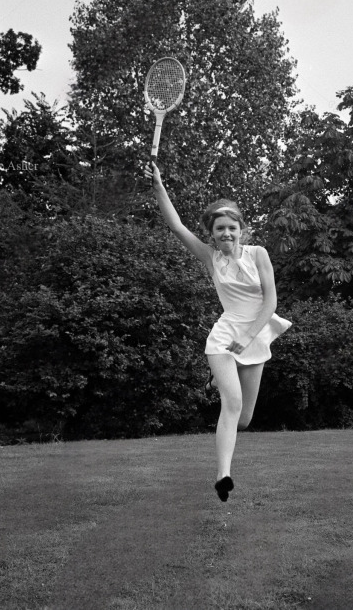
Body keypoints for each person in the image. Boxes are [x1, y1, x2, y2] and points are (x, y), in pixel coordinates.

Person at [143, 162, 291, 502]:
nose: (226, 233)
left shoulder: (259, 255)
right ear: (212, 232)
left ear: (242, 229)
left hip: (254, 335)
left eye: (231, 228)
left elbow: (270, 302)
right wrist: (159, 188)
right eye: (219, 228)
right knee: (233, 403)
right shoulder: (210, 258)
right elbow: (177, 226)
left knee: (245, 419)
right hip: (225, 338)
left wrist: (250, 336)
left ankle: (220, 378)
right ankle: (224, 475)